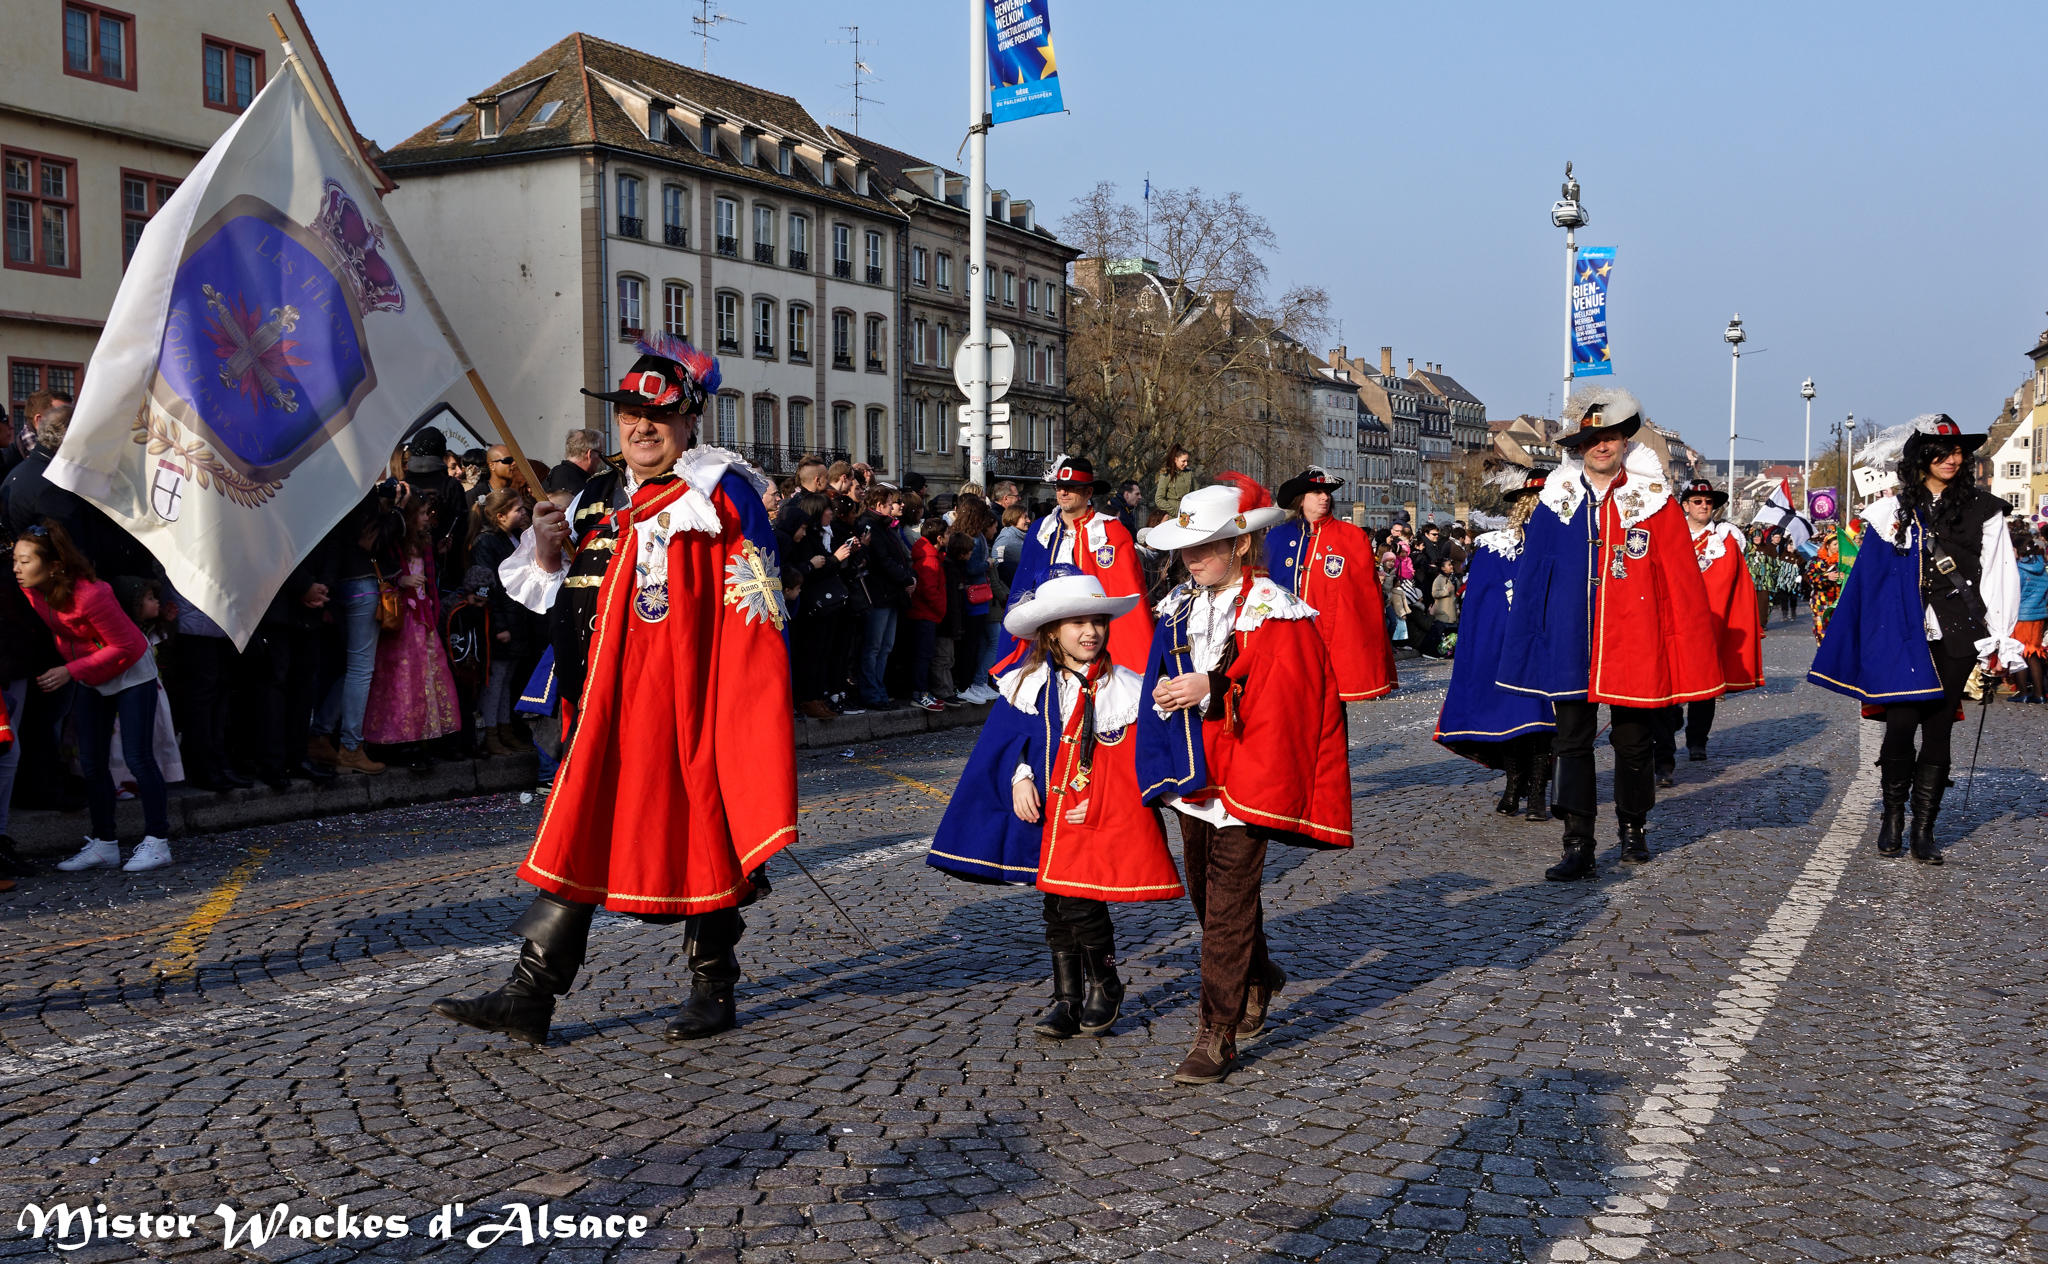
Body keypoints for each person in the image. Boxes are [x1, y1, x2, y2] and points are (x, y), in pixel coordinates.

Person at [434, 333, 795, 1045]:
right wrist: (543, 545)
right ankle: (529, 995)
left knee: (702, 834)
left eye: (655, 417)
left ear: (690, 420)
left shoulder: (721, 492)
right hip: (599, 703)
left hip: (686, 705)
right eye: (628, 413)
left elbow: (757, 609)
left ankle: (714, 987)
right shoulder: (600, 494)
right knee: (579, 833)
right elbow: (555, 591)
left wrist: (738, 715)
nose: (639, 426)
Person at [1137, 474, 1353, 1084]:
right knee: (1207, 900)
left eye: (1206, 545)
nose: (1193, 557)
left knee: (1228, 906)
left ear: (1238, 545)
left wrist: (1215, 688)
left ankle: (1218, 1033)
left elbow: (1293, 698)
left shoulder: (1275, 611)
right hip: (1194, 775)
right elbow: (1161, 671)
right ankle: (1258, 974)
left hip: (1246, 775)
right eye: (1187, 546)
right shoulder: (1178, 605)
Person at [928, 569, 1184, 1037]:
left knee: (1082, 903)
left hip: (1094, 818)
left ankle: (1104, 985)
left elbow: (1136, 763)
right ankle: (1066, 997)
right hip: (1046, 815)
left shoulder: (1126, 689)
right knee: (1058, 906)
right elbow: (1008, 743)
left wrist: (1104, 801)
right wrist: (1020, 776)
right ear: (1051, 633)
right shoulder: (1028, 684)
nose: (1091, 631)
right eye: (1076, 623)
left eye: (1097, 621)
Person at [1495, 386, 1724, 880]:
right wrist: (1531, 639)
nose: (1602, 446)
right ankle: (1577, 841)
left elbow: (1680, 581)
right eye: (1593, 439)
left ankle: (1633, 829)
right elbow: (1535, 578)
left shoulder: (1655, 502)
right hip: (1571, 638)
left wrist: (1679, 643)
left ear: (1624, 442)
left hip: (1634, 638)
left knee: (1634, 741)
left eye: (1611, 437)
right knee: (1571, 741)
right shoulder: (1555, 502)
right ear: (1580, 446)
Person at [1808, 415, 2023, 863]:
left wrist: (1999, 639)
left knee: (1939, 727)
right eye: (1941, 452)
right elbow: (1868, 579)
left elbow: (2000, 574)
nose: (1952, 459)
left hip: (1958, 628)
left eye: (1958, 452)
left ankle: (1924, 829)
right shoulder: (1891, 511)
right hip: (1900, 630)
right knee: (1902, 722)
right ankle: (1892, 818)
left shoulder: (1986, 509)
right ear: (1920, 458)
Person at [20, 522, 173, 873]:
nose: (16, 567)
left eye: (25, 560)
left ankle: (157, 841)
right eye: (16, 559)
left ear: (54, 565)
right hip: (91, 672)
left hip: (131, 671)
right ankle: (105, 843)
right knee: (91, 761)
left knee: (138, 758)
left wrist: (70, 670)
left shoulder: (92, 593)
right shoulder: (33, 590)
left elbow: (128, 645)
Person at [1435, 469, 1556, 817]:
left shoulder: (1566, 547)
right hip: (1504, 650)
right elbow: (1480, 610)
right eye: (1534, 503)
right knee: (1512, 720)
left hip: (1546, 649)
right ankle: (1514, 784)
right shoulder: (1493, 548)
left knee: (1541, 724)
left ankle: (1535, 794)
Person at [998, 456, 1154, 678]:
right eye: (1060, 487)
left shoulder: (1112, 533)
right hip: (1049, 632)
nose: (1063, 493)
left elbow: (1125, 588)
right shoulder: (1040, 531)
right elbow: (1023, 585)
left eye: (1072, 488)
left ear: (1088, 493)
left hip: (1090, 634)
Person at [1657, 479, 1763, 772]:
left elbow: (1738, 584)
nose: (1704, 506)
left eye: (1708, 503)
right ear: (1685, 505)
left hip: (1710, 623)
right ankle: (1668, 736)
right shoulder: (1670, 536)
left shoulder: (1725, 539)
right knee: (1671, 682)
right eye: (1697, 501)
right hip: (1675, 621)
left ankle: (1697, 741)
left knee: (1706, 685)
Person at [1266, 467, 1398, 701]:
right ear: (1301, 499)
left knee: (1332, 706)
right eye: (1317, 492)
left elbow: (1365, 596)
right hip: (1286, 638)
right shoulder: (1276, 537)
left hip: (1334, 637)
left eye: (1327, 492)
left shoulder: (1352, 537)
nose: (1325, 497)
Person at [361, 495, 463, 764]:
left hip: (421, 618)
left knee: (424, 677)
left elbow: (427, 575)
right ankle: (397, 738)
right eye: (421, 514)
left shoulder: (424, 544)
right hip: (402, 620)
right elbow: (378, 570)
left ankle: (421, 734)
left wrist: (439, 552)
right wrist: (400, 579)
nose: (427, 518)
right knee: (401, 679)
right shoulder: (393, 545)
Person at [851, 484, 914, 710]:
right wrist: (907, 579)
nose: (895, 507)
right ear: (879, 505)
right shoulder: (870, 525)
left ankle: (878, 690)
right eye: (890, 503)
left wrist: (908, 576)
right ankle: (871, 693)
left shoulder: (884, 526)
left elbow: (897, 558)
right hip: (878, 594)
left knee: (885, 646)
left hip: (890, 594)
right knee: (873, 647)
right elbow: (883, 561)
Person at [906, 518, 948, 712]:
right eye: (947, 534)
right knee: (923, 655)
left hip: (925, 613)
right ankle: (919, 693)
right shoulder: (929, 560)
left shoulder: (930, 557)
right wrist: (941, 609)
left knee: (923, 655)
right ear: (939, 538)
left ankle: (922, 691)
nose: (949, 537)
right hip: (925, 614)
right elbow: (929, 590)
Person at [2012, 519, 2046, 703]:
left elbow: (2014, 594)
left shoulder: (2018, 570)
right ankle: (2039, 694)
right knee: (2034, 653)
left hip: (2022, 616)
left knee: (2020, 653)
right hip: (2039, 615)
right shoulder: (2041, 568)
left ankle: (2024, 692)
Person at [545, 428, 606, 502]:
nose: (600, 459)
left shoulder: (560, 473)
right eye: (600, 454)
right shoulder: (573, 480)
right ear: (590, 454)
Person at [1153, 445, 1196, 516]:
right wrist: (1174, 511)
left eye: (1187, 461)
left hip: (1188, 513)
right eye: (1183, 461)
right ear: (1176, 460)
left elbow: (1197, 492)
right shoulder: (1166, 476)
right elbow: (1159, 499)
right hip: (1172, 516)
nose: (1186, 464)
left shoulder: (1189, 474)